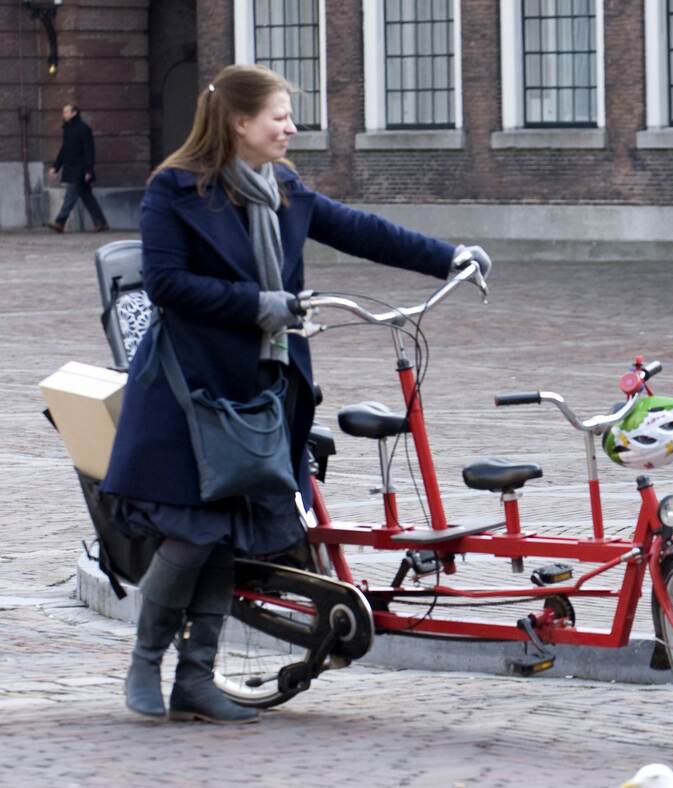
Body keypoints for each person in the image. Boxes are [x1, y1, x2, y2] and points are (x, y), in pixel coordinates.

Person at [101, 64, 491, 724]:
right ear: (238, 123)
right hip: (190, 392)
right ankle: (145, 660)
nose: (292, 127)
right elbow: (166, 285)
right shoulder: (174, 191)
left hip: (260, 387)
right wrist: (260, 303)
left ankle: (196, 678)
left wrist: (449, 256)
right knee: (192, 535)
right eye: (280, 115)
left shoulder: (281, 187)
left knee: (233, 534)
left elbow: (363, 230)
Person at [48, 104, 109, 233]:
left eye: (66, 112)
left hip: (80, 170)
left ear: (74, 113)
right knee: (87, 196)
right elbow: (64, 150)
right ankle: (100, 222)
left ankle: (60, 222)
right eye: (63, 112)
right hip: (71, 168)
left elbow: (89, 151)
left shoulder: (84, 129)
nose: (64, 114)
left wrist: (88, 170)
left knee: (70, 195)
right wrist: (56, 167)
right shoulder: (67, 129)